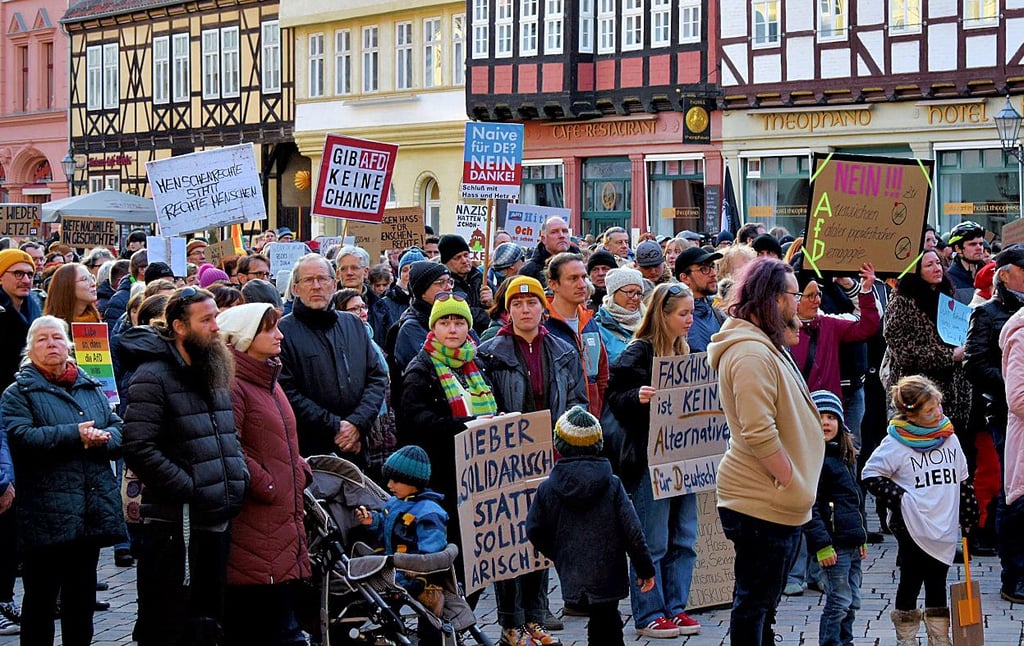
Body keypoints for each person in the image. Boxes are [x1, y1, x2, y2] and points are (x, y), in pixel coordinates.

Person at [706, 257, 824, 645]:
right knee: (754, 604)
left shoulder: (765, 345)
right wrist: (790, 479)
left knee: (764, 605)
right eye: (794, 295)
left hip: (775, 500)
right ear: (772, 299)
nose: (801, 303)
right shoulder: (750, 354)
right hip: (760, 501)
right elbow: (759, 432)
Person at [122, 286, 249, 646]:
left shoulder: (214, 366)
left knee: (208, 621)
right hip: (173, 526)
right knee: (168, 621)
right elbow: (137, 445)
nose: (215, 327)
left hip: (215, 518)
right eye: (206, 319)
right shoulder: (153, 375)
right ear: (179, 326)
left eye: (216, 318)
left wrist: (237, 474)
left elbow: (228, 433)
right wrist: (188, 487)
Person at [0, 316, 125, 646]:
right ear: (29, 349)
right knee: (40, 599)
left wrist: (104, 438)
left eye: (56, 338)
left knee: (81, 599)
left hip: (89, 508)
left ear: (68, 344)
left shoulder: (88, 384)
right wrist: (75, 435)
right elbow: (20, 437)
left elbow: (117, 426)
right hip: (45, 511)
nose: (51, 344)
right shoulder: (18, 392)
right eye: (41, 340)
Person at [478, 275, 588, 646]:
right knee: (508, 540)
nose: (525, 310)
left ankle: (538, 613)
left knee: (541, 537)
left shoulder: (562, 349)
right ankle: (511, 620)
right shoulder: (490, 352)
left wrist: (567, 443)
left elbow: (577, 402)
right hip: (507, 461)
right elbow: (485, 405)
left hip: (551, 457)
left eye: (532, 303)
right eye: (517, 304)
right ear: (507, 311)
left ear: (543, 307)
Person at [604, 282, 700, 638]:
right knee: (653, 540)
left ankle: (676, 606)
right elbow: (614, 397)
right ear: (663, 315)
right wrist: (636, 397)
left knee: (685, 537)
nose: (690, 320)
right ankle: (648, 613)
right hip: (650, 459)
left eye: (691, 312)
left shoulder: (685, 349)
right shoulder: (639, 352)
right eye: (683, 314)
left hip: (684, 458)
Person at [216, 303, 311, 646]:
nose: (280, 335)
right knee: (264, 622)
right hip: (256, 520)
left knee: (279, 618)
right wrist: (267, 482)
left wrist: (299, 468)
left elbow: (278, 443)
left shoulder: (269, 380)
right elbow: (230, 447)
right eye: (268, 329)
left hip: (281, 518)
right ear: (244, 337)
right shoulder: (234, 385)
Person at [525, 406, 656, 646]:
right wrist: (645, 569)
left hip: (572, 573)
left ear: (559, 445)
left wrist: (558, 554)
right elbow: (633, 531)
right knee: (607, 623)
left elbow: (533, 528)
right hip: (608, 574)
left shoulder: (548, 488)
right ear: (598, 444)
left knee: (596, 619)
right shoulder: (613, 485)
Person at [862, 376, 979, 646]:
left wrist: (969, 510)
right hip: (911, 524)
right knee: (911, 579)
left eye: (938, 406)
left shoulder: (949, 438)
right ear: (911, 413)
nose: (938, 413)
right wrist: (901, 499)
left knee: (938, 579)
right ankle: (907, 637)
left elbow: (962, 479)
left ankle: (939, 637)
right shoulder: (896, 444)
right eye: (930, 410)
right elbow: (870, 475)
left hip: (943, 523)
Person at [396, 293, 497, 586]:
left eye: (458, 322)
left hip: (476, 477)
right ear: (433, 328)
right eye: (444, 322)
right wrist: (467, 426)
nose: (452, 329)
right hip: (441, 481)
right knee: (447, 563)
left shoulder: (478, 364)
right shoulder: (421, 370)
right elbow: (416, 425)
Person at [278, 254, 388, 462]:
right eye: (308, 280)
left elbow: (376, 377)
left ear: (334, 284)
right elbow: (287, 391)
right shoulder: (283, 332)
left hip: (357, 445)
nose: (316, 286)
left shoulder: (353, 325)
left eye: (323, 279)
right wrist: (336, 427)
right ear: (295, 288)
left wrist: (357, 423)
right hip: (311, 451)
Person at [883, 250, 972, 463]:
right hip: (919, 397)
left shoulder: (947, 297)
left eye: (938, 263)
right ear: (916, 271)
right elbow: (904, 351)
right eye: (929, 265)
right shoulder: (902, 303)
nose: (937, 268)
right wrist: (949, 356)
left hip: (952, 396)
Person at [355, 445, 448, 645]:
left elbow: (433, 543)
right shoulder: (394, 504)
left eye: (395, 481)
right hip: (394, 565)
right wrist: (371, 521)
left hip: (415, 573)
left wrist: (418, 565)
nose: (389, 485)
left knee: (397, 597)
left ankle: (413, 622)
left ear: (413, 483)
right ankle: (389, 630)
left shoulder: (428, 510)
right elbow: (384, 524)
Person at [801, 391, 866, 646]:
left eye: (831, 417)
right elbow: (811, 507)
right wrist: (822, 545)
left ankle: (845, 641)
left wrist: (861, 537)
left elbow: (855, 502)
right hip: (833, 545)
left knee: (852, 600)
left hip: (851, 543)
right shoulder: (814, 460)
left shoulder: (844, 456)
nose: (826, 423)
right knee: (838, 600)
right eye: (820, 417)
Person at [0, 249, 42, 633]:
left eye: (29, 273)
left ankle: (9, 594)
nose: (25, 280)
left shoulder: (35, 309)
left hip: (28, 411)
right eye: (17, 273)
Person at [544, 252, 608, 417]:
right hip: (559, 423)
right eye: (573, 279)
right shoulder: (543, 325)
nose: (582, 285)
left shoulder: (589, 321)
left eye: (583, 277)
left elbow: (601, 375)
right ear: (554, 284)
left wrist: (597, 411)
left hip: (592, 421)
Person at [438, 234, 493, 335]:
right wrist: (490, 312)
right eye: (457, 257)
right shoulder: (444, 285)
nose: (464, 260)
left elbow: (504, 308)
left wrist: (492, 302)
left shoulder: (482, 278)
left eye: (466, 255)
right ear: (446, 262)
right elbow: (463, 313)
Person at [675, 246, 724, 352]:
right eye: (704, 269)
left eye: (713, 266)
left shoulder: (718, 315)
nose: (713, 273)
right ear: (685, 278)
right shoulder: (672, 318)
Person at [593, 268, 645, 365]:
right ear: (613, 293)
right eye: (630, 292)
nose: (635, 298)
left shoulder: (648, 324)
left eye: (638, 293)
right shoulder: (598, 330)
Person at [519, 216, 575, 288]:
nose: (561, 235)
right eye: (554, 232)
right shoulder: (529, 272)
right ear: (543, 239)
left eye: (565, 231)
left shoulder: (582, 263)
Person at [945, 221, 986, 304]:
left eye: (981, 244)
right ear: (958, 249)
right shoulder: (948, 279)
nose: (979, 248)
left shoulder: (990, 273)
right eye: (973, 244)